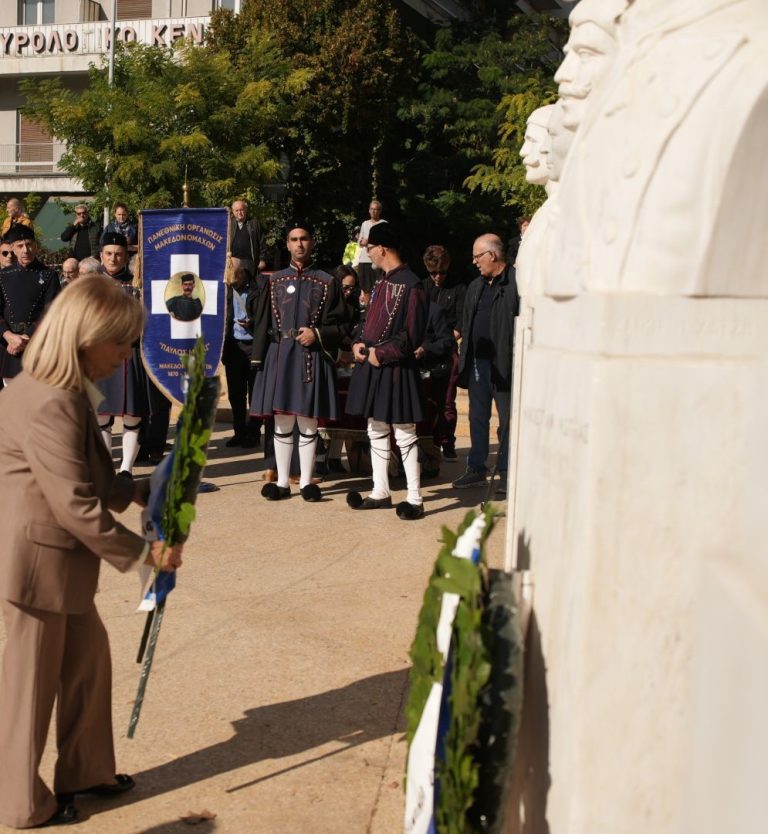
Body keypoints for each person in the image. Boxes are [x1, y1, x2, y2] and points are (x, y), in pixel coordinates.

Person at [0, 276, 183, 830]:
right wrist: (148, 554)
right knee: (28, 692)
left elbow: (86, 478)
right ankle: (19, 804)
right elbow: (77, 505)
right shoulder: (52, 400)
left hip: (54, 563)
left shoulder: (62, 387)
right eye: (122, 343)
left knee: (86, 664)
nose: (128, 355)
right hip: (36, 567)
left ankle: (84, 770)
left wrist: (139, 488)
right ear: (87, 335)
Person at [249, 221, 343, 502]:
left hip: (311, 357)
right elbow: (263, 321)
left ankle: (305, 482)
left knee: (308, 423)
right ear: (287, 244)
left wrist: (317, 333)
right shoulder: (273, 280)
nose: (299, 243)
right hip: (279, 355)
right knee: (281, 421)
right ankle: (281, 482)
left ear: (312, 242)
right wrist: (258, 359)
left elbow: (341, 325)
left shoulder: (327, 281)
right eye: (294, 239)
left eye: (304, 238)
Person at [345, 223, 429, 520]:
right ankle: (380, 490)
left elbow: (412, 335)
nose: (367, 252)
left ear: (382, 248)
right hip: (372, 366)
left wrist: (382, 353)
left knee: (404, 432)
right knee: (376, 427)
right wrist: (357, 343)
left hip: (396, 368)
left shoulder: (413, 284)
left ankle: (415, 497)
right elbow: (366, 323)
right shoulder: (380, 282)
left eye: (369, 247)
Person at [452, 234, 519, 493]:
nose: (474, 261)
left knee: (507, 421)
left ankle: (505, 473)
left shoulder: (516, 283)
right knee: (477, 417)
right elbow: (467, 323)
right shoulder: (475, 286)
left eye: (478, 256)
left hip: (505, 364)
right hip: (478, 362)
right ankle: (476, 468)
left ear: (492, 255)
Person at [95, 232, 152, 477]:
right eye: (109, 253)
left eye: (118, 254)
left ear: (126, 255)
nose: (113, 258)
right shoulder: (90, 285)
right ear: (101, 255)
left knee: (132, 415)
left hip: (131, 355)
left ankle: (126, 468)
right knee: (101, 416)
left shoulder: (138, 284)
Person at [0, 226, 60, 384]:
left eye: (29, 244)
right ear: (12, 248)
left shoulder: (49, 275)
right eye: (20, 246)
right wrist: (9, 336)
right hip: (7, 347)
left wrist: (25, 338)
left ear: (36, 245)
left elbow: (52, 312)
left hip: (37, 345)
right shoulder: (3, 276)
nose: (26, 250)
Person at [422, 245, 465, 460]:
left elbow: (460, 321)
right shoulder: (421, 288)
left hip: (447, 349)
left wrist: (448, 339)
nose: (438, 277)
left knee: (447, 401)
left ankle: (447, 442)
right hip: (424, 351)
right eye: (433, 273)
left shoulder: (458, 288)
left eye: (442, 272)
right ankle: (428, 440)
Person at [222, 265, 261, 448]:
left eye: (235, 275)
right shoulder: (227, 291)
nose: (232, 279)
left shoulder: (259, 289)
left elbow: (264, 317)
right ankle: (239, 432)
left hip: (254, 346)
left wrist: (251, 323)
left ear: (244, 272)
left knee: (255, 394)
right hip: (234, 347)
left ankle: (253, 434)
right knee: (236, 394)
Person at [228, 199, 267, 277]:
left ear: (246, 210)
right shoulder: (229, 224)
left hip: (250, 263)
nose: (239, 213)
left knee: (250, 287)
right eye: (236, 210)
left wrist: (262, 260)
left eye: (241, 210)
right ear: (233, 211)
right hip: (233, 263)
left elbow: (262, 243)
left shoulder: (254, 224)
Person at [356, 200, 387, 293]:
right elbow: (359, 241)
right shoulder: (364, 224)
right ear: (369, 210)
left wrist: (369, 241)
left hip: (377, 260)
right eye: (372, 209)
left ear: (380, 211)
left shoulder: (384, 223)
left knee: (378, 288)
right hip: (364, 259)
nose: (373, 211)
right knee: (365, 288)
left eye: (376, 209)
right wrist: (361, 242)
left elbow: (386, 241)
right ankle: (366, 307)